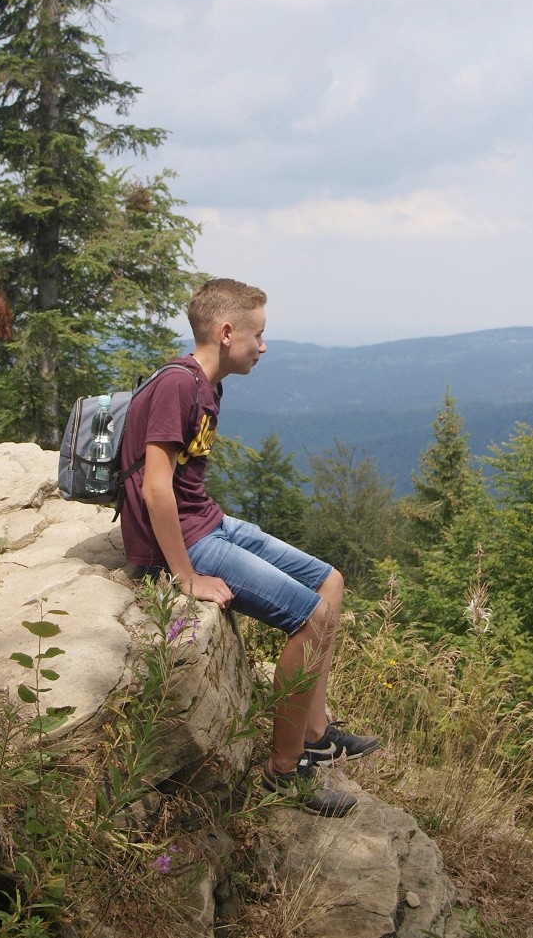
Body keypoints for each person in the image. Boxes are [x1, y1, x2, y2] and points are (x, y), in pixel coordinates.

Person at [119, 278, 380, 817]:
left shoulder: (206, 385)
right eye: (258, 335)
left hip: (207, 523)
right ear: (226, 331)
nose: (263, 347)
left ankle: (315, 732)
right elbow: (155, 486)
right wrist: (185, 575)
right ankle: (285, 771)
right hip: (188, 541)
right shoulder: (178, 385)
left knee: (329, 581)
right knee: (309, 619)